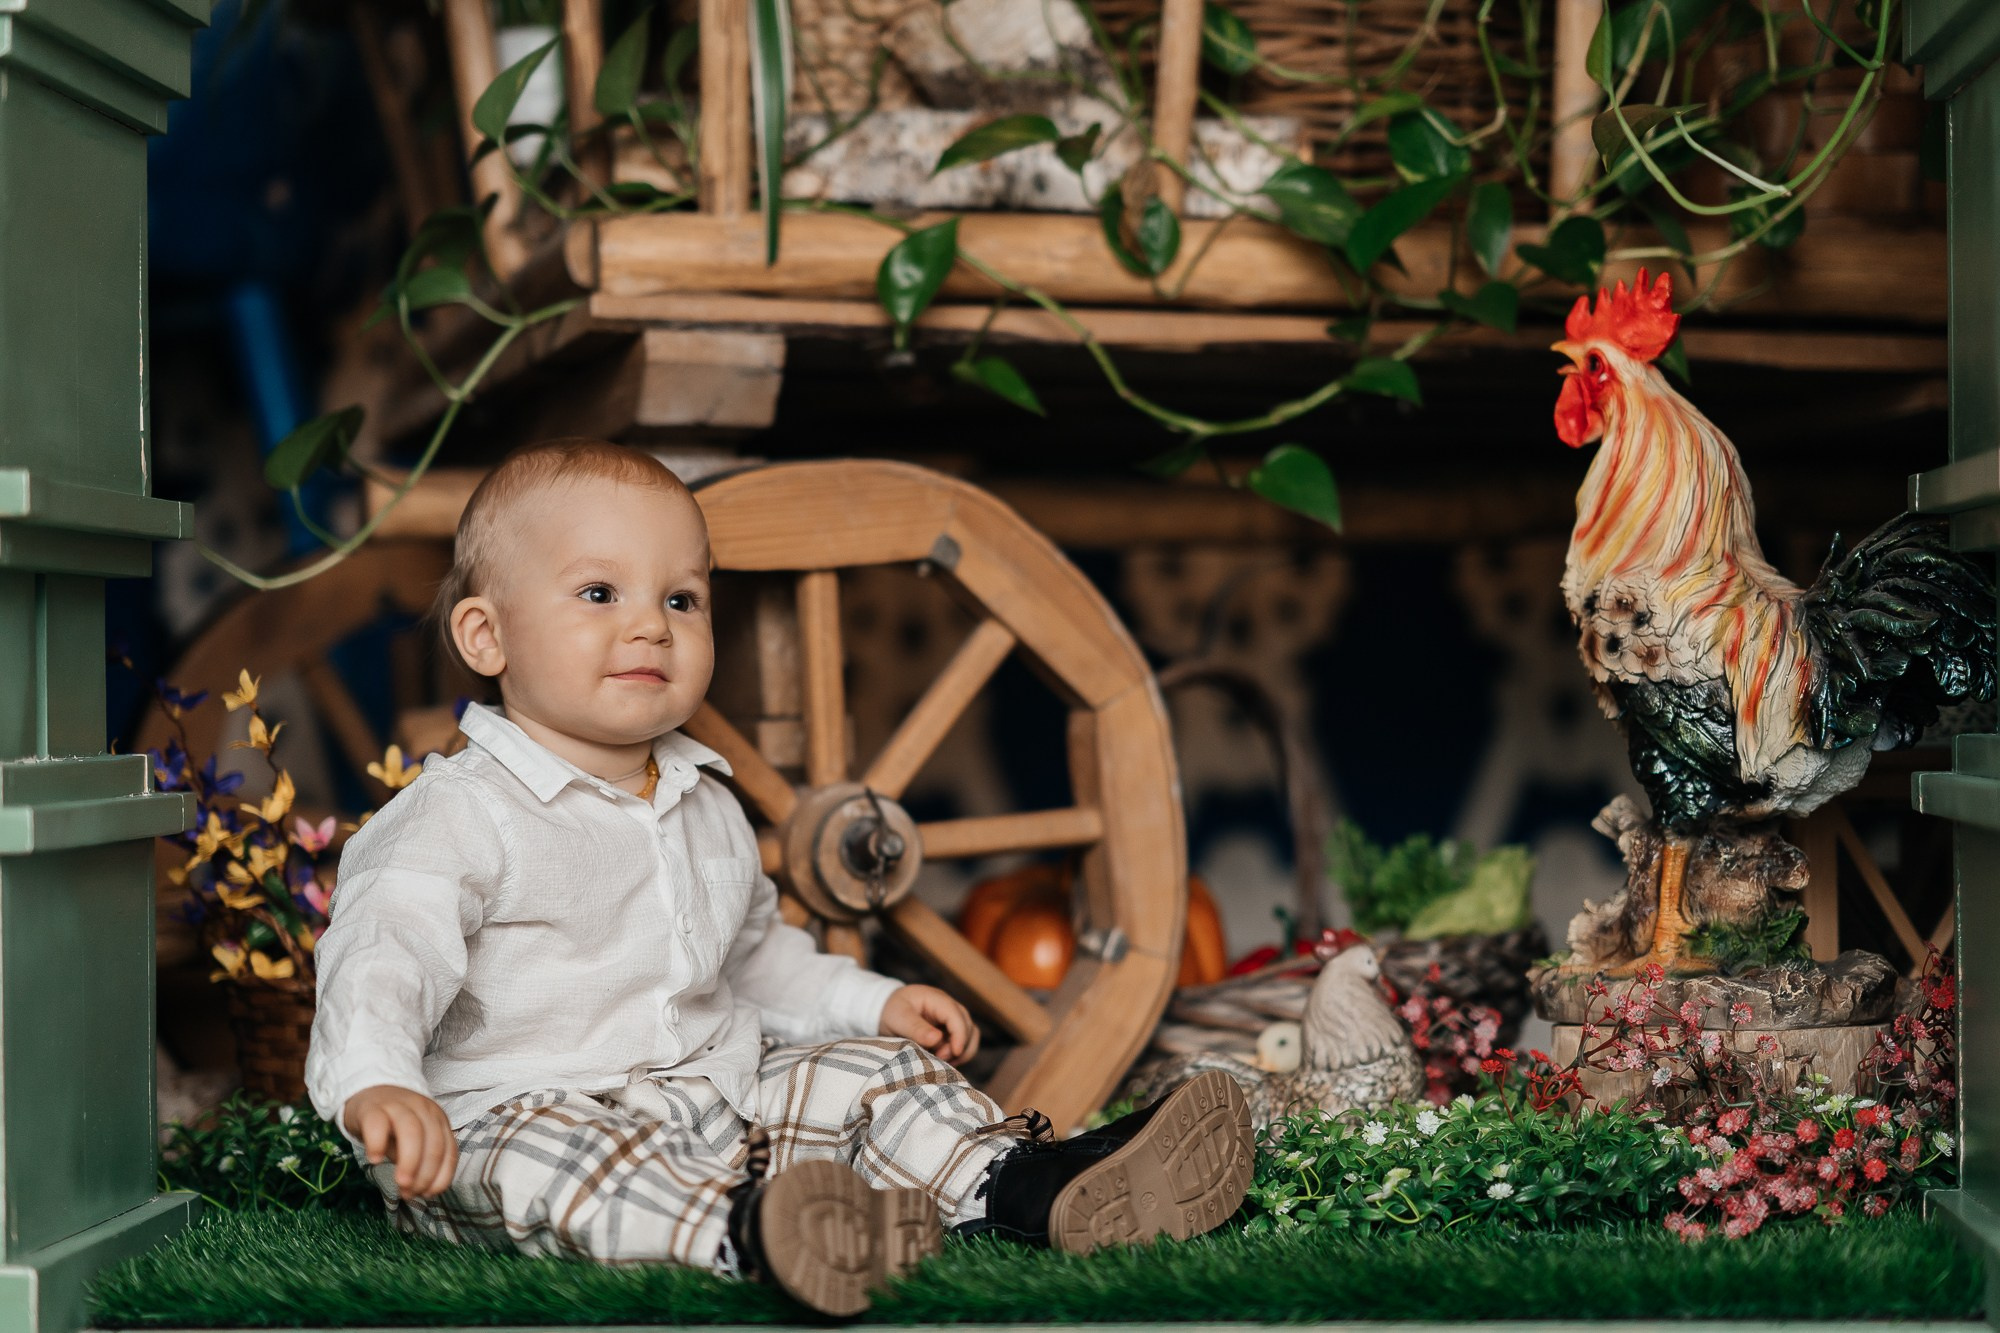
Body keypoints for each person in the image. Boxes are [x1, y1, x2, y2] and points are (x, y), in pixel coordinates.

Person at [304, 438, 1254, 1316]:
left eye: (682, 599)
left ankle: (1018, 1187)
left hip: (715, 1102)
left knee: (875, 1078)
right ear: (486, 636)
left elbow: (754, 959)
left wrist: (872, 1001)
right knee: (571, 1165)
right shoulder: (456, 813)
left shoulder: (703, 798)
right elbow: (382, 958)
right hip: (509, 1117)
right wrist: (380, 1083)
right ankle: (753, 1236)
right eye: (599, 593)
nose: (651, 626)